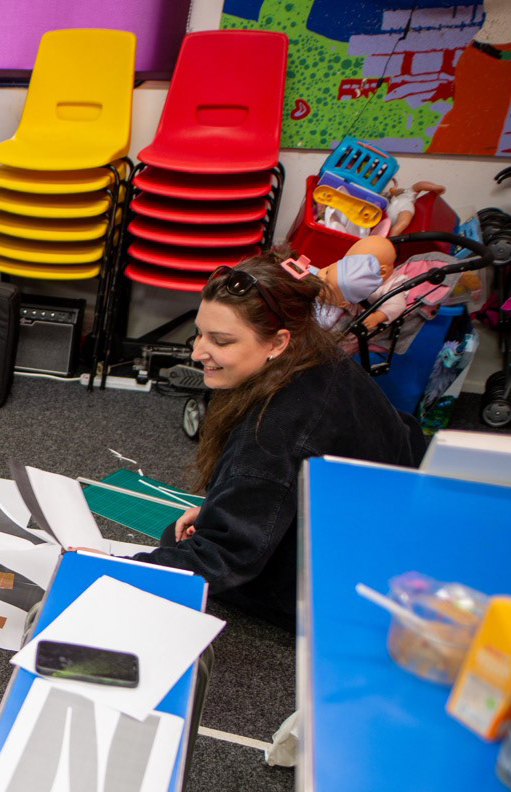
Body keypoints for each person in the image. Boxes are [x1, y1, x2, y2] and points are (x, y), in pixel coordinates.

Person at [131, 251, 427, 628]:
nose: (197, 352)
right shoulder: (323, 361)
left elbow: (219, 559)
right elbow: (405, 431)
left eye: (220, 341)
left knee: (175, 545)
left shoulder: (274, 432)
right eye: (199, 333)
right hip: (379, 533)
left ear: (277, 342)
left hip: (348, 588)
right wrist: (224, 505)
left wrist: (104, 569)